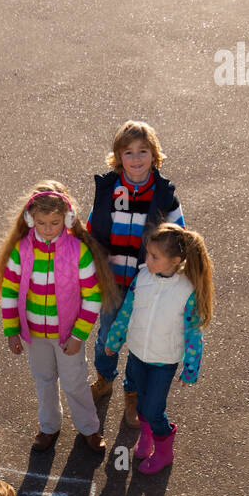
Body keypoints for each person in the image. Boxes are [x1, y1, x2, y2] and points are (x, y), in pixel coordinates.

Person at [0, 181, 119, 453]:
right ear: (29, 219)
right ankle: (49, 427)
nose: (48, 229)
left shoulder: (78, 252)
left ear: (68, 219)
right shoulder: (21, 250)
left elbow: (92, 298)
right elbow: (10, 292)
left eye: (55, 222)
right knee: (44, 381)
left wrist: (78, 335)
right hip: (35, 335)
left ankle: (89, 428)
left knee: (75, 384)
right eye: (41, 223)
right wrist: (12, 330)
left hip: (68, 335)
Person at [85, 121, 186, 428]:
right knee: (107, 333)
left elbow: (178, 235)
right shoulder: (108, 189)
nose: (136, 158)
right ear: (118, 156)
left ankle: (133, 391)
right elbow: (93, 230)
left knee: (141, 338)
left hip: (147, 281)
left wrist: (176, 270)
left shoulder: (163, 195)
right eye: (128, 152)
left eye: (143, 151)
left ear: (154, 155)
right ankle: (105, 378)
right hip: (112, 279)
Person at [103, 222, 215, 474]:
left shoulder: (187, 290)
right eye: (148, 254)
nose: (147, 260)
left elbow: (193, 332)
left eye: (155, 256)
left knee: (154, 409)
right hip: (137, 354)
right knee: (141, 402)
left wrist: (191, 367)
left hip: (163, 362)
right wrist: (114, 340)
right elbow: (127, 312)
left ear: (175, 260)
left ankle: (164, 451)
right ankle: (147, 436)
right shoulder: (142, 277)